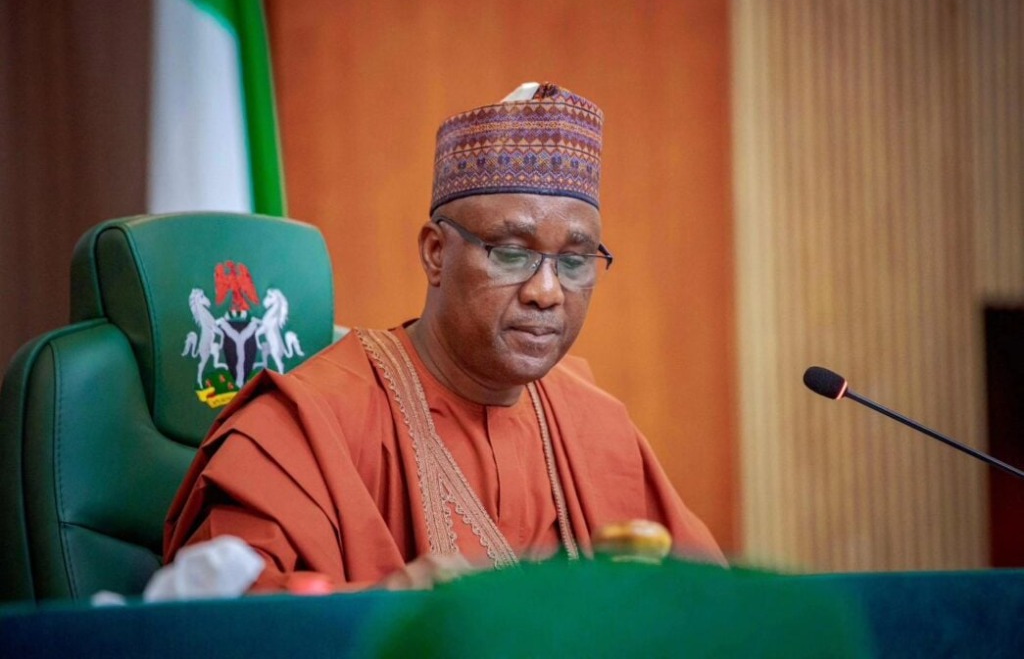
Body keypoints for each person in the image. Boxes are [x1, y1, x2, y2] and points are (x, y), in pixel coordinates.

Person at [164, 82, 724, 593]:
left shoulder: (595, 426)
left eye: (575, 261)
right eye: (512, 253)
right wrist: (388, 606)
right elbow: (219, 620)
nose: (548, 292)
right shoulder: (303, 423)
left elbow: (716, 606)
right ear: (436, 253)